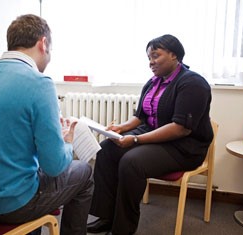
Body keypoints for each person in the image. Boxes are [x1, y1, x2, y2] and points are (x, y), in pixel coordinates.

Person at [0, 14, 93, 235]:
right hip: (9, 205)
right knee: (84, 172)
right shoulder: (40, 83)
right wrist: (66, 142)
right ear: (43, 43)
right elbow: (54, 167)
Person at [86, 34, 213, 235]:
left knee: (131, 162)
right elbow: (140, 117)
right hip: (154, 137)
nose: (151, 62)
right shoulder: (153, 82)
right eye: (149, 58)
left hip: (184, 146)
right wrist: (120, 128)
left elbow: (181, 128)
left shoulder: (193, 83)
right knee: (105, 150)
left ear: (174, 55)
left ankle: (123, 229)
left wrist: (136, 139)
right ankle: (107, 217)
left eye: (156, 55)